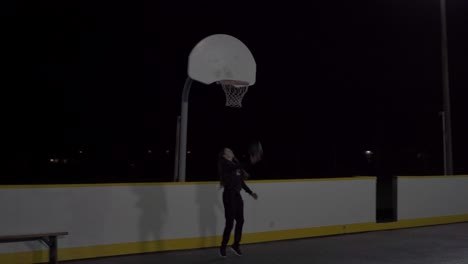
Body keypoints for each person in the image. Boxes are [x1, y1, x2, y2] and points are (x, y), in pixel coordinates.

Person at [218, 148, 258, 258]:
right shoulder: (224, 163)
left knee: (240, 220)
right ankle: (223, 246)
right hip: (228, 196)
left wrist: (250, 192)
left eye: (231, 150)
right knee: (230, 223)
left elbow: (241, 182)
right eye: (228, 150)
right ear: (224, 154)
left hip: (237, 196)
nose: (231, 151)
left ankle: (236, 245)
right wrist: (250, 160)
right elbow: (235, 167)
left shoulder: (235, 164)